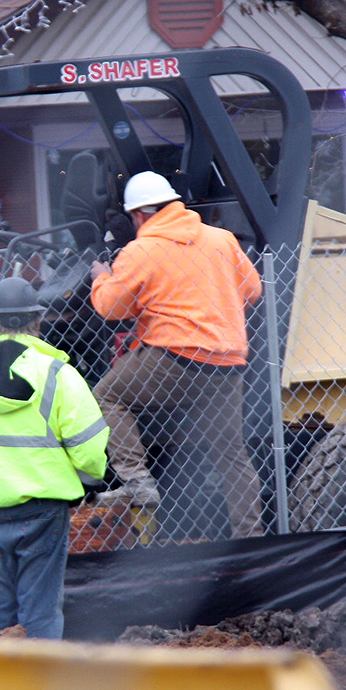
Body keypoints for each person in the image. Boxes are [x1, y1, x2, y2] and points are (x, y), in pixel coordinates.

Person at [88, 171, 264, 537]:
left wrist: (101, 277)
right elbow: (252, 291)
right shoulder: (221, 240)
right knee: (230, 451)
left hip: (172, 358)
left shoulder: (141, 250)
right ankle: (250, 537)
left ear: (138, 216)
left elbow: (110, 307)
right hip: (226, 363)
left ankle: (137, 479)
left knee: (107, 395)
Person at [0, 276, 107, 639]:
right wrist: (89, 475)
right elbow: (90, 449)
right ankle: (39, 684)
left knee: (1, 609)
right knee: (39, 608)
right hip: (43, 508)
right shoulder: (58, 374)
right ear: (38, 320)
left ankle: (3, 684)